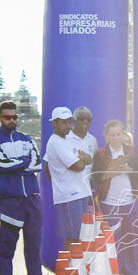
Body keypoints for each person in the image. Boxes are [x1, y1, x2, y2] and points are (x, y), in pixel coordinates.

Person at [0, 100, 47, 275]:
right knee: (6, 244)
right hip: (10, 200)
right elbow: (2, 165)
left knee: (33, 242)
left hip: (32, 197)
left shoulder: (27, 138)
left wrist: (17, 166)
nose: (12, 120)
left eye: (14, 117)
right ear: (0, 118)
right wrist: (23, 162)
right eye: (7, 117)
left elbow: (37, 164)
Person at [92, 119, 138, 275]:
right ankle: (113, 271)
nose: (116, 137)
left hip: (129, 201)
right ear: (106, 136)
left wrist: (129, 170)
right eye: (112, 134)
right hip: (109, 202)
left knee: (130, 238)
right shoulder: (101, 154)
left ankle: (131, 272)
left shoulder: (132, 152)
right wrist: (112, 171)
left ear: (123, 134)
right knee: (111, 240)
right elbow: (96, 177)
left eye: (118, 134)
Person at [43, 107, 93, 250]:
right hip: (70, 197)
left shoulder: (68, 140)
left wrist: (81, 160)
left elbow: (88, 159)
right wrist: (80, 160)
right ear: (55, 123)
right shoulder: (55, 142)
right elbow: (78, 166)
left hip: (80, 193)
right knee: (74, 237)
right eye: (64, 123)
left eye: (69, 122)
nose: (68, 126)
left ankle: (76, 270)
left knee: (82, 236)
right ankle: (68, 272)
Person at [68, 106, 97, 194]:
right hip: (71, 186)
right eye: (81, 119)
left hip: (88, 186)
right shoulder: (65, 138)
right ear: (74, 120)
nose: (85, 122)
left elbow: (95, 163)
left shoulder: (92, 140)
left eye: (88, 120)